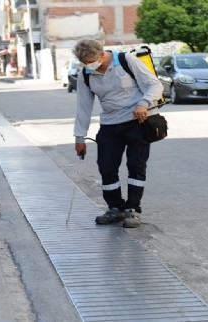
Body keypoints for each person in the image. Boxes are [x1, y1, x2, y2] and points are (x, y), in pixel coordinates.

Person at [72, 39, 163, 228]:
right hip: (110, 125)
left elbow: (155, 85)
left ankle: (133, 210)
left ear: (102, 54)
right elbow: (83, 106)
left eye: (91, 61)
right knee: (106, 166)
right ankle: (115, 208)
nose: (89, 66)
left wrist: (143, 103)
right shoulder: (85, 74)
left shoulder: (125, 60)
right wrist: (79, 137)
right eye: (85, 63)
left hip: (137, 122)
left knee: (136, 165)